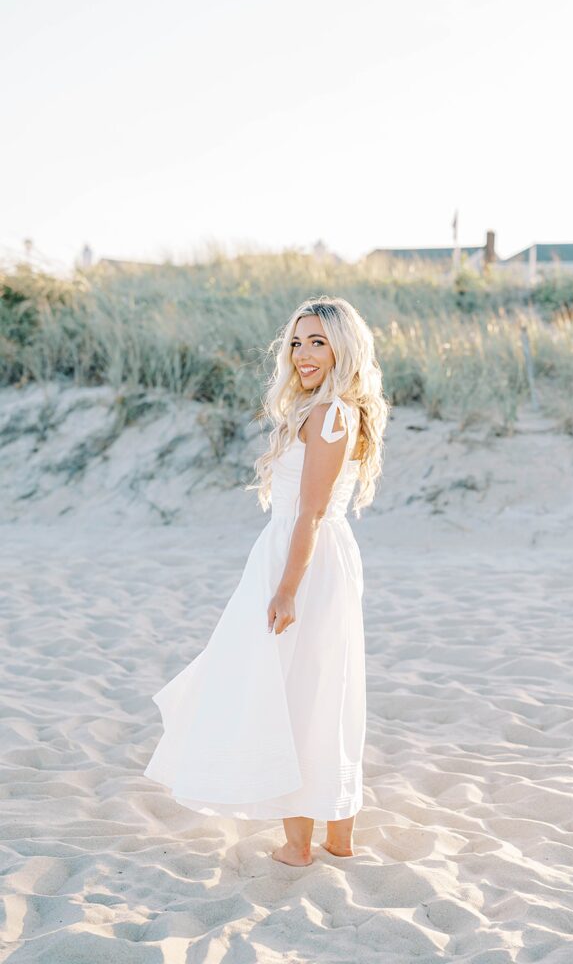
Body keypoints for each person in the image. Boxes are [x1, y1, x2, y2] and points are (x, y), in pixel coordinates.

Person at [143, 295, 390, 867]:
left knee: (299, 694)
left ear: (343, 349)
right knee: (320, 689)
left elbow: (311, 512)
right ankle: (338, 837)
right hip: (302, 555)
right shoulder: (322, 409)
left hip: (302, 561)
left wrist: (285, 589)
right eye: (297, 342)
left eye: (318, 342)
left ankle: (301, 847)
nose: (304, 354)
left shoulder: (331, 415)